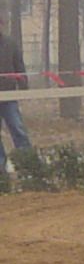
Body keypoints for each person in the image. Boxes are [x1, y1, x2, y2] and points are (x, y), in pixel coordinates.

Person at [0, 16, 32, 171]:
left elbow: (19, 65)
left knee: (17, 128)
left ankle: (27, 162)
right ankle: (0, 167)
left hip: (9, 95)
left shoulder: (10, 44)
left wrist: (24, 85)